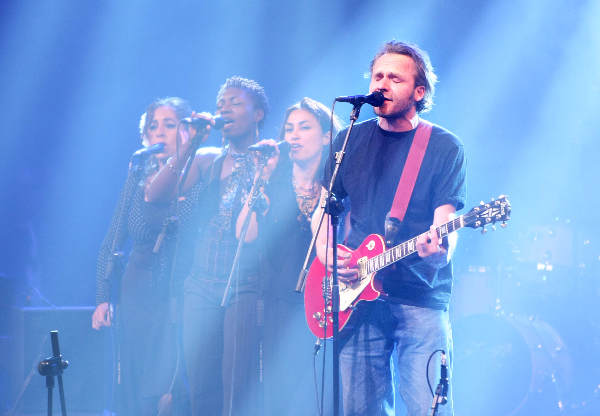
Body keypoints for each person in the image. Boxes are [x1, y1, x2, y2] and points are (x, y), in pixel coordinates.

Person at [313, 41, 467, 416]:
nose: (382, 84)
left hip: (419, 295)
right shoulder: (352, 138)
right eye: (377, 76)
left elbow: (446, 220)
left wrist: (440, 247)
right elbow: (322, 205)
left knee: (427, 409)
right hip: (356, 293)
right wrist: (327, 254)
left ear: (419, 91)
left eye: (394, 78)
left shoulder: (444, 146)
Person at [145, 76, 272, 416]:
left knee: (237, 385)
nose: (223, 109)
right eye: (220, 104)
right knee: (201, 386)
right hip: (200, 284)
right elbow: (155, 196)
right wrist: (190, 143)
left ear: (258, 113)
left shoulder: (271, 158)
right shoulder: (207, 158)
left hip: (246, 285)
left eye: (234, 102)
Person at [92, 97, 193, 415]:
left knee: (172, 388)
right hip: (136, 293)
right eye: (153, 126)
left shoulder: (200, 172)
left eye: (170, 124)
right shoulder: (137, 177)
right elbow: (112, 238)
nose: (160, 132)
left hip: (179, 291)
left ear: (187, 131)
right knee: (137, 386)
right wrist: (102, 296)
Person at [261, 97, 343, 415]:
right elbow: (247, 236)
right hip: (282, 298)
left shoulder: (339, 183)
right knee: (283, 391)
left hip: (329, 299)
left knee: (319, 391)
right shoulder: (275, 181)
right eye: (289, 129)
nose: (293, 135)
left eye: (304, 127)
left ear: (325, 136)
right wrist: (262, 179)